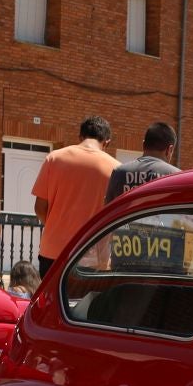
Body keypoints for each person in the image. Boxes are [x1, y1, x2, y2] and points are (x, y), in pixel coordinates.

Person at [31, 116, 117, 278]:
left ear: (80, 137)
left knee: (52, 303)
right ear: (107, 143)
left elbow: (39, 208)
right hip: (92, 258)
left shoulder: (54, 158)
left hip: (53, 253)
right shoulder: (116, 169)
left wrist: (58, 227)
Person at [105, 122, 181, 201]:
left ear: (143, 144)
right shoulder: (177, 177)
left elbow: (108, 209)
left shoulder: (119, 172)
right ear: (170, 149)